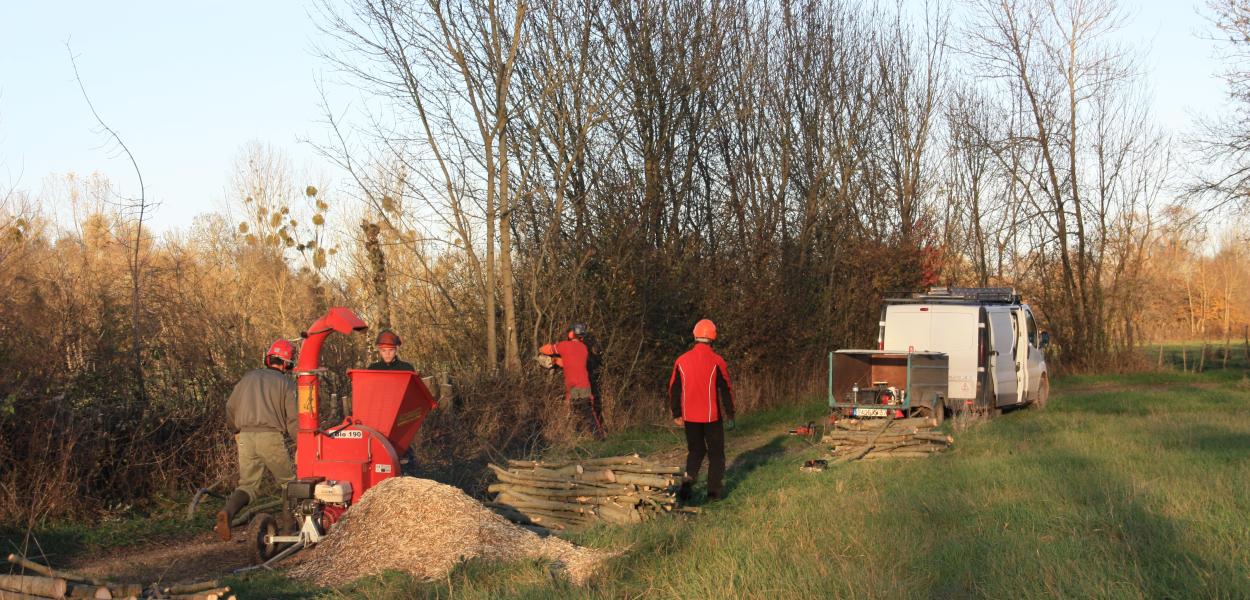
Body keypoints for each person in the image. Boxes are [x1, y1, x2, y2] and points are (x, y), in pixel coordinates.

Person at [216, 339, 299, 541]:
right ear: (287, 363)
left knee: (248, 485)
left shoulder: (247, 377)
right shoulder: (286, 383)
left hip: (244, 436)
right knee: (289, 484)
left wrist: (236, 429)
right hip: (269, 436)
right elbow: (293, 419)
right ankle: (289, 530)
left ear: (268, 358)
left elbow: (229, 407)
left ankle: (227, 512)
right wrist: (301, 443)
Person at [669, 318, 736, 502]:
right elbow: (727, 389)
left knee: (696, 452)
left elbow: (673, 388)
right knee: (716, 455)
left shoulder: (681, 360)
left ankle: (685, 490)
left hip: (690, 417)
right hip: (712, 417)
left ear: (695, 335)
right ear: (713, 337)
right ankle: (713, 494)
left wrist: (676, 412)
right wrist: (730, 413)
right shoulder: (717, 361)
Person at [539, 324, 606, 440]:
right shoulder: (583, 348)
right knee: (587, 411)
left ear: (571, 334)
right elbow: (570, 362)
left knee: (572, 410)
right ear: (581, 337)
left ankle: (568, 436)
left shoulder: (564, 345)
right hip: (583, 384)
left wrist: (541, 352)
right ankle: (598, 436)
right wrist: (555, 361)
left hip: (573, 387)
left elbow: (547, 349)